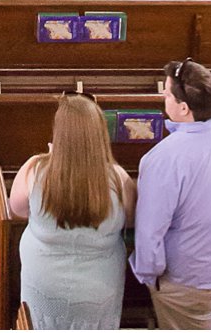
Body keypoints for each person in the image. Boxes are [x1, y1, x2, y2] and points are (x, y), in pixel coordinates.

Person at [130, 59, 211, 329]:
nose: (163, 97)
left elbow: (150, 232)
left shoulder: (163, 159)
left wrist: (150, 277)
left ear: (183, 107)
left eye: (167, 93)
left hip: (192, 280)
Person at [9, 92, 136, 331]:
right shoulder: (119, 180)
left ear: (60, 135)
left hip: (44, 284)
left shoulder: (35, 168)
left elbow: (17, 210)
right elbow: (131, 221)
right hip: (98, 289)